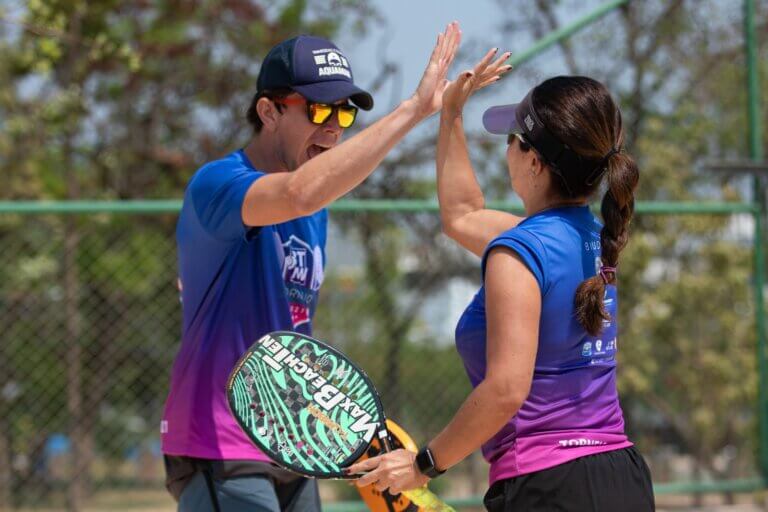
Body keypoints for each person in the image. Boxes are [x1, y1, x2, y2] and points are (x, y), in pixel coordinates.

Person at [160, 23, 461, 512]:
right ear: (268, 111)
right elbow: (300, 191)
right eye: (319, 108)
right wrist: (413, 110)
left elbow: (290, 335)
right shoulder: (219, 183)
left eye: (345, 112)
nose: (334, 125)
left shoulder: (315, 214)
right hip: (222, 436)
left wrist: (342, 427)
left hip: (289, 437)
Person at [348, 50, 655, 511]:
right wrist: (450, 114)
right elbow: (461, 215)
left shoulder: (519, 251)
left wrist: (424, 463)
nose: (506, 147)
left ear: (534, 164)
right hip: (621, 476)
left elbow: (506, 389)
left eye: (514, 138)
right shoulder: (597, 237)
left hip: (549, 486)